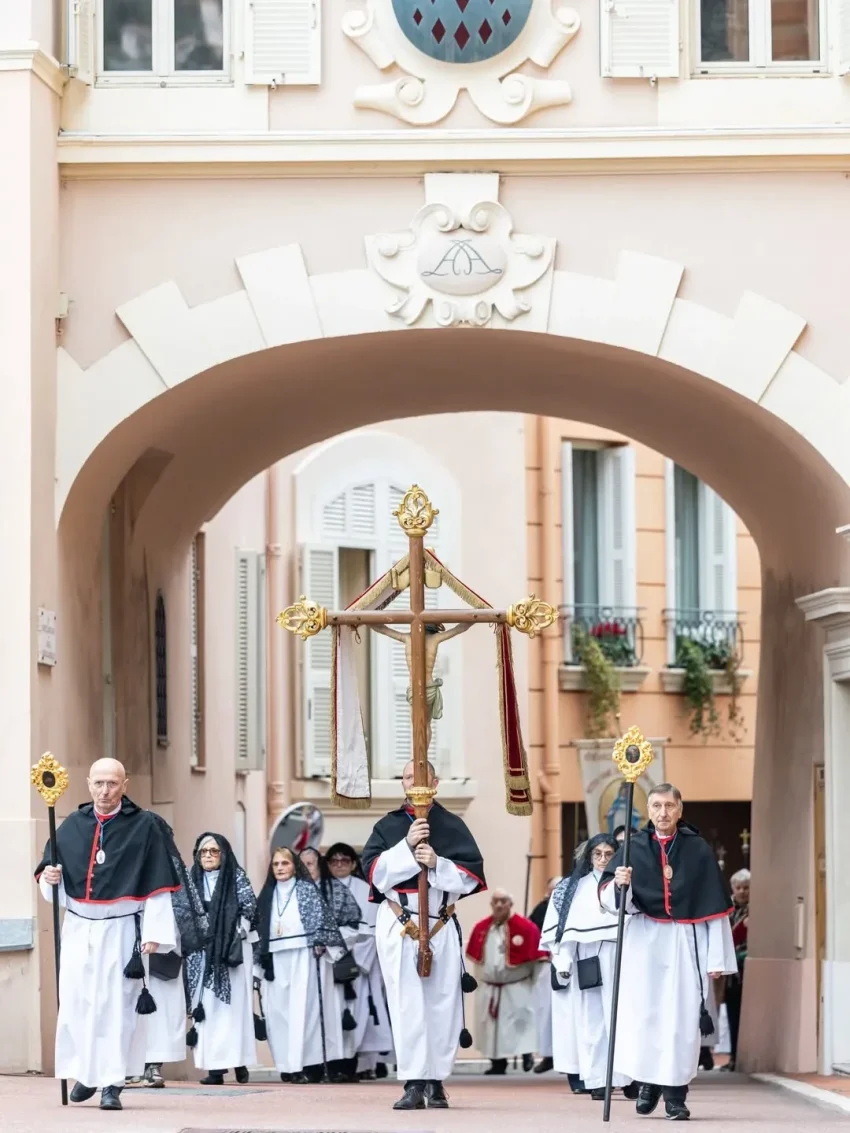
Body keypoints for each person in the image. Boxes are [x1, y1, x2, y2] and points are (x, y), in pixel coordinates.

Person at [34, 758, 180, 1111]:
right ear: (88, 784)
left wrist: (155, 932)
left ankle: (112, 1082)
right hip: (79, 928)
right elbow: (51, 880)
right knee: (78, 1003)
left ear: (124, 785)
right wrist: (50, 879)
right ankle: (86, 1073)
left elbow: (158, 884)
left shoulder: (144, 826)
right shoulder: (73, 825)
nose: (104, 791)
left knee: (116, 1007)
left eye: (112, 783)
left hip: (122, 930)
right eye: (98, 783)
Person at [600, 784, 737, 1121]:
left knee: (681, 1021)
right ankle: (648, 1083)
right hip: (644, 941)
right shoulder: (633, 847)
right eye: (657, 806)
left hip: (685, 942)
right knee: (645, 1016)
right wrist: (620, 883)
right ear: (648, 809)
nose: (663, 812)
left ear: (680, 809)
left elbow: (714, 907)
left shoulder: (698, 849)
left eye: (669, 806)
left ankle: (676, 1096)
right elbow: (609, 902)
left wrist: (717, 959)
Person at [362, 760, 486, 1111]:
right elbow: (374, 874)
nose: (412, 782)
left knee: (443, 1003)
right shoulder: (388, 826)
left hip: (440, 923)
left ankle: (436, 1081)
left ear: (435, 782)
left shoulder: (452, 825)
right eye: (406, 777)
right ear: (402, 783)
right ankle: (414, 1082)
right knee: (408, 1004)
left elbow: (470, 879)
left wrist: (436, 864)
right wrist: (406, 846)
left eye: (419, 777)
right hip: (400, 921)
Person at [541, 835, 636, 1100]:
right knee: (592, 1021)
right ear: (589, 856)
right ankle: (598, 1080)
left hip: (621, 953)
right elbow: (560, 930)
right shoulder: (571, 887)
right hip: (587, 957)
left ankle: (628, 1077)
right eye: (598, 854)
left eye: (609, 854)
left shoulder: (626, 882)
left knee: (623, 1018)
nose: (603, 859)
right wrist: (563, 961)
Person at [254, 848, 350, 1082]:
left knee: (302, 1013)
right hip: (274, 960)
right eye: (276, 864)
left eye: (285, 863)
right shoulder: (267, 894)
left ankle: (304, 1066)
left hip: (303, 957)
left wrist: (322, 943)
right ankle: (286, 1066)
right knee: (278, 1014)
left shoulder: (306, 890)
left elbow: (321, 922)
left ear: (294, 866)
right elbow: (258, 930)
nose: (280, 868)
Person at [134, 815, 208, 1089]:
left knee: (161, 1009)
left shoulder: (171, 864)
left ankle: (153, 1066)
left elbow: (184, 907)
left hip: (164, 946)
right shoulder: (126, 859)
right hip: (128, 943)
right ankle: (130, 1066)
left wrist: (160, 929)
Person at [186, 832, 258, 1086]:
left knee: (232, 1010)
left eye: (214, 851)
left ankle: (239, 1061)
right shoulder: (190, 879)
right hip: (201, 953)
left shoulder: (236, 876)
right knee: (206, 1011)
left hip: (230, 953)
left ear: (224, 854)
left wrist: (233, 930)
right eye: (203, 851)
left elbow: (250, 908)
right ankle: (215, 1070)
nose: (208, 856)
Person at [326, 842, 394, 1080]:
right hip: (327, 963)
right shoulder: (320, 888)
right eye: (334, 861)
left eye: (344, 860)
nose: (339, 865)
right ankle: (333, 1063)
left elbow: (372, 930)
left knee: (361, 1012)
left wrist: (354, 960)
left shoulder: (365, 890)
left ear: (354, 864)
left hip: (357, 965)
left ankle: (357, 1064)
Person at [466, 889, 540, 1075]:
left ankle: (526, 1054)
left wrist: (534, 983)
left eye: (503, 901)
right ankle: (497, 1063)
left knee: (520, 1022)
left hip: (517, 984)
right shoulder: (482, 928)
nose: (499, 905)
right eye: (495, 901)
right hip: (490, 987)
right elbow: (477, 961)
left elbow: (536, 960)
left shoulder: (526, 928)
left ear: (510, 904)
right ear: (491, 904)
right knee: (492, 1028)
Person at [371, 622, 472, 751]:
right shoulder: (435, 638)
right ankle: (422, 754)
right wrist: (474, 619)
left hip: (415, 688)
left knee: (417, 725)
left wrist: (365, 622)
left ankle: (420, 755)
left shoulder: (408, 638)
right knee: (426, 724)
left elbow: (382, 629)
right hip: (429, 687)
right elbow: (460, 628)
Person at [528, 876, 561, 1074]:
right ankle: (548, 1054)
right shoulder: (541, 910)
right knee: (546, 1011)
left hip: (571, 966)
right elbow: (531, 933)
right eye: (550, 891)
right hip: (547, 966)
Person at [720, 868, 750, 1072]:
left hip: (747, 968)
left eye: (746, 888)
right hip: (731, 972)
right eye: (738, 887)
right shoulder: (726, 907)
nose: (742, 891)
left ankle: (742, 1056)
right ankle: (733, 1056)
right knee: (732, 1014)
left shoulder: (756, 909)